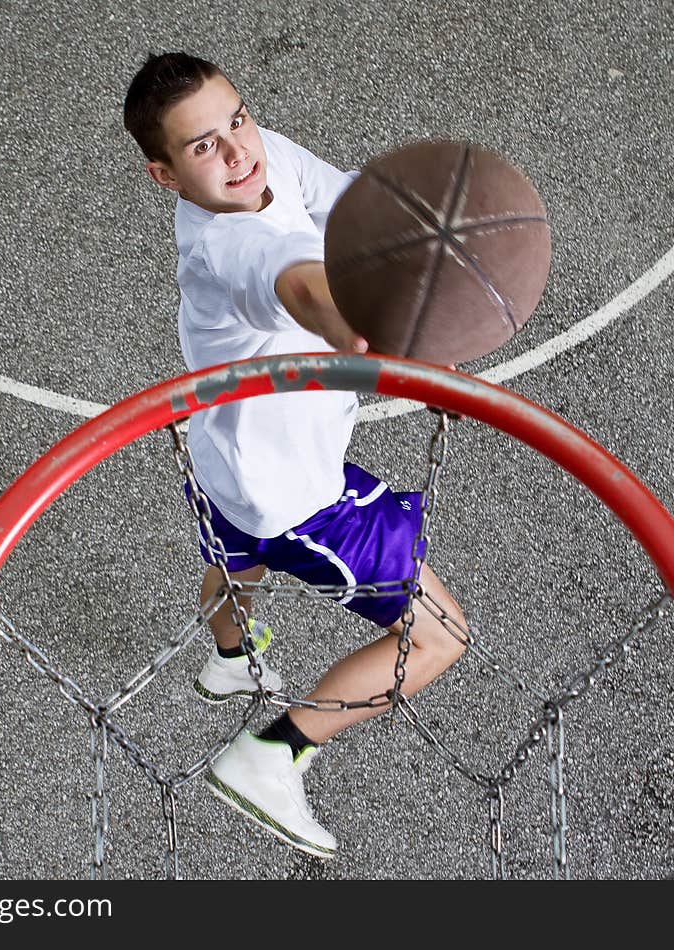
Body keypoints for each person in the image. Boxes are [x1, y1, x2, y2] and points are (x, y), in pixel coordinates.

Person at [123, 52, 467, 859]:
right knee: (441, 634)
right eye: (203, 146)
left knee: (234, 562)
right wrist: (387, 334)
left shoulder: (259, 154)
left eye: (236, 119)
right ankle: (273, 754)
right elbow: (303, 286)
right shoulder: (225, 250)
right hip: (294, 494)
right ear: (163, 175)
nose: (239, 151)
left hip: (217, 458)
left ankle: (230, 661)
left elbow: (353, 207)